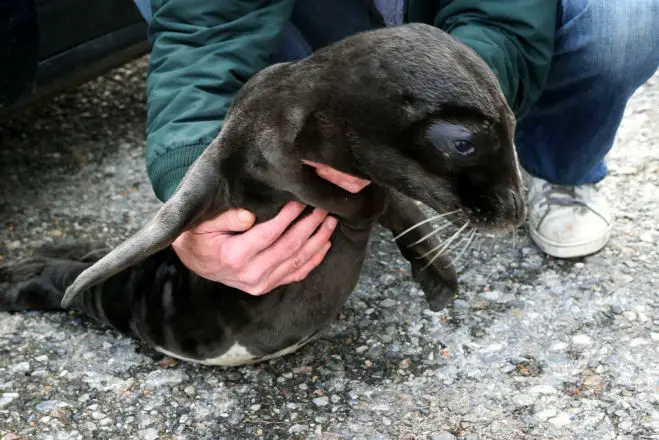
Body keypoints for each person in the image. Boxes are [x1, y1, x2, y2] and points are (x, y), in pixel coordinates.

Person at [130, 0, 658, 295]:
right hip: (322, 30)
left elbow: (503, 18)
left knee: (625, 20)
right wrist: (199, 193)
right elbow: (209, 28)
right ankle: (307, 170)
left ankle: (560, 164)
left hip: (443, 28)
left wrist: (449, 118)